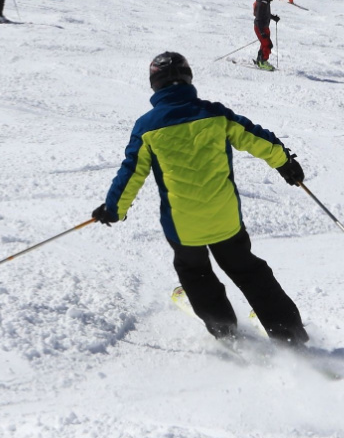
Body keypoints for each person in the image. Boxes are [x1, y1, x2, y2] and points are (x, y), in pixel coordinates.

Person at [93, 52, 309, 344]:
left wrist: (113, 208)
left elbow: (131, 172)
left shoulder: (147, 127)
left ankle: (225, 331)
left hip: (183, 227)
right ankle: (289, 334)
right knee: (248, 270)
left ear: (154, 85)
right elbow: (256, 138)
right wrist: (285, 163)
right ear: (188, 79)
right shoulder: (214, 114)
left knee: (195, 274)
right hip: (225, 218)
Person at [252, 0, 279, 69]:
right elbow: (258, 18)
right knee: (268, 45)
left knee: (265, 44)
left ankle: (259, 60)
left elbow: (265, 14)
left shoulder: (265, 2)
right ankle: (262, 62)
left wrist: (273, 17)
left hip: (264, 27)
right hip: (261, 27)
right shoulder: (262, 4)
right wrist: (262, 32)